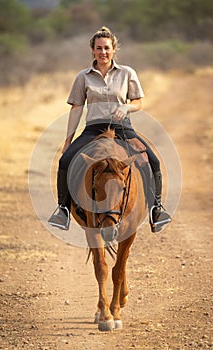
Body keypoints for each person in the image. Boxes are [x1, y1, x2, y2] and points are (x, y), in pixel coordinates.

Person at [48, 26, 171, 233]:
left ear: (114, 49)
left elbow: (139, 102)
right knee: (65, 160)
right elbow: (77, 108)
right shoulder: (83, 77)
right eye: (98, 48)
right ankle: (63, 210)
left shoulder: (127, 73)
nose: (102, 52)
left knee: (153, 161)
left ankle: (156, 209)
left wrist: (126, 107)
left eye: (106, 48)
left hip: (123, 128)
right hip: (93, 130)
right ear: (92, 50)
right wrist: (68, 140)